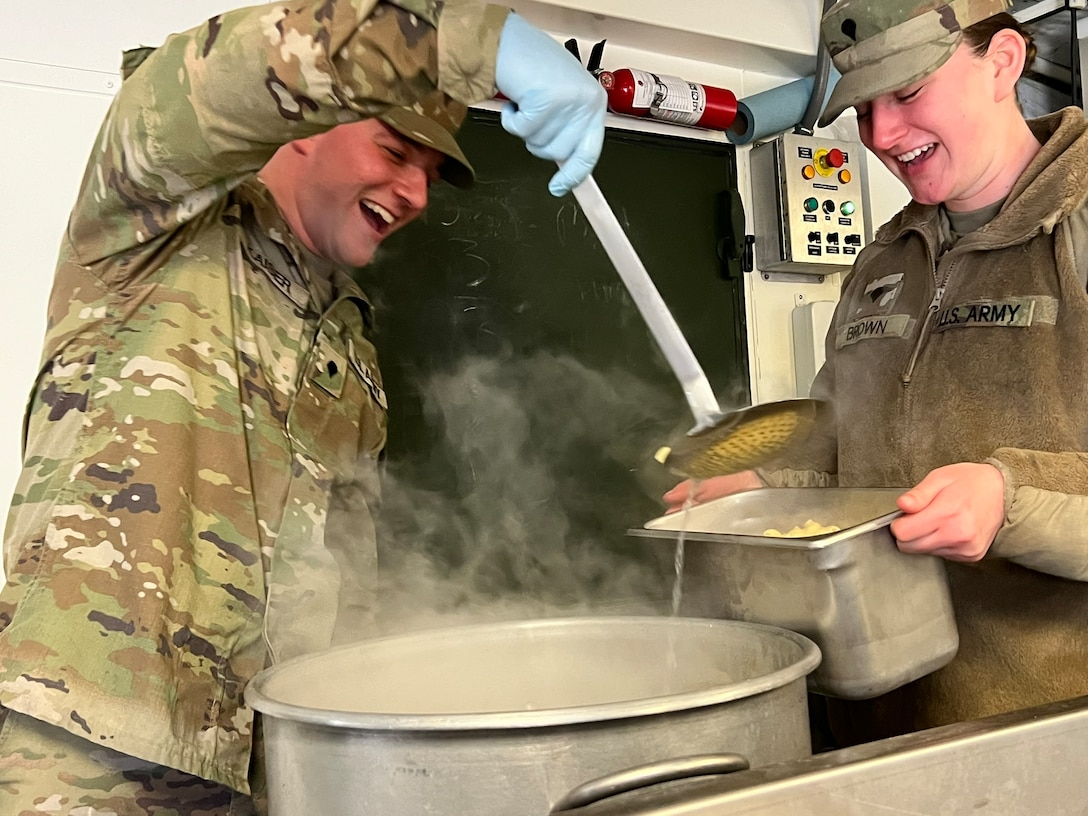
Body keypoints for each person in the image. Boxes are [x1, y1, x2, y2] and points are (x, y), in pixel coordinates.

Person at [0, 0, 606, 811]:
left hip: (265, 766)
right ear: (304, 125)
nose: (415, 191)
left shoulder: (345, 338)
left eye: (429, 172)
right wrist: (481, 44)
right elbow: (237, 74)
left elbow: (346, 570)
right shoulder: (151, 217)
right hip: (91, 749)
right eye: (394, 150)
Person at [666, 0, 1088, 747]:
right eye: (863, 107)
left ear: (1004, 63)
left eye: (908, 92)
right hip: (875, 730)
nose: (882, 137)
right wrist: (766, 486)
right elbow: (846, 455)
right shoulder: (885, 259)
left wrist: (1009, 499)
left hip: (1042, 740)